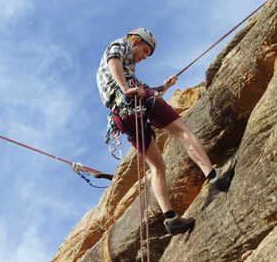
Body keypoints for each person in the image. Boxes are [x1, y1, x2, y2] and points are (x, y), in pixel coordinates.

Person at [96, 27, 235, 236]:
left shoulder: (127, 72)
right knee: (181, 131)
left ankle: (170, 218)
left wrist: (165, 86)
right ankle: (214, 175)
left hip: (122, 116)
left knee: (157, 165)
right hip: (132, 100)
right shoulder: (120, 46)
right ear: (135, 42)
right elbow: (113, 60)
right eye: (144, 51)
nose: (144, 57)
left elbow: (145, 89)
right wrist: (126, 89)